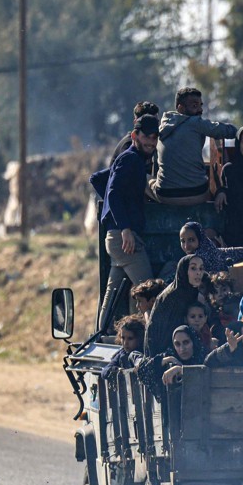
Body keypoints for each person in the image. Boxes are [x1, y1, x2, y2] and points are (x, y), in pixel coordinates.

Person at [99, 114, 158, 329]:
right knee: (148, 292)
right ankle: (148, 340)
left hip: (115, 237)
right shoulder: (130, 158)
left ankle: (103, 332)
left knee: (112, 294)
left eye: (154, 138)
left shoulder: (133, 160)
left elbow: (98, 180)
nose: (151, 142)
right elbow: (113, 194)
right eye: (146, 137)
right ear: (134, 135)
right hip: (123, 237)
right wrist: (124, 227)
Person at [152, 87, 238, 206]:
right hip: (197, 194)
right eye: (194, 106)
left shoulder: (162, 128)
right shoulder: (195, 123)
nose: (200, 110)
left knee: (147, 181)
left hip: (166, 195)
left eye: (200, 106)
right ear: (180, 108)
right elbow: (227, 131)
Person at [145, 255, 207, 356]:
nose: (198, 273)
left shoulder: (192, 292)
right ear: (183, 270)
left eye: (201, 268)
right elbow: (160, 333)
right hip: (164, 351)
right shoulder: (172, 296)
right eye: (193, 268)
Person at [179, 221, 243, 275]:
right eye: (183, 241)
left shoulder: (200, 258)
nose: (186, 246)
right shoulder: (209, 251)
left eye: (191, 240)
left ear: (200, 239)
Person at [111, 100, 161, 174]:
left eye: (155, 122)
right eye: (148, 122)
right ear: (136, 122)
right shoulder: (128, 146)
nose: (153, 126)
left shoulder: (153, 142)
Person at [101, 314, 146, 383]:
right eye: (123, 338)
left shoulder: (144, 353)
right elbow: (105, 371)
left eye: (130, 338)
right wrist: (118, 370)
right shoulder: (122, 353)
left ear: (139, 338)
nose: (125, 343)